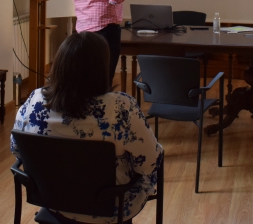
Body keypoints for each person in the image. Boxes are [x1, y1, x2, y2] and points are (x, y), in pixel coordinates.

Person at [12, 32, 163, 224]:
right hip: (110, 207)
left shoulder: (34, 101)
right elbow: (150, 162)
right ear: (102, 67)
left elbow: (16, 149)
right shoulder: (120, 107)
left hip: (54, 201)